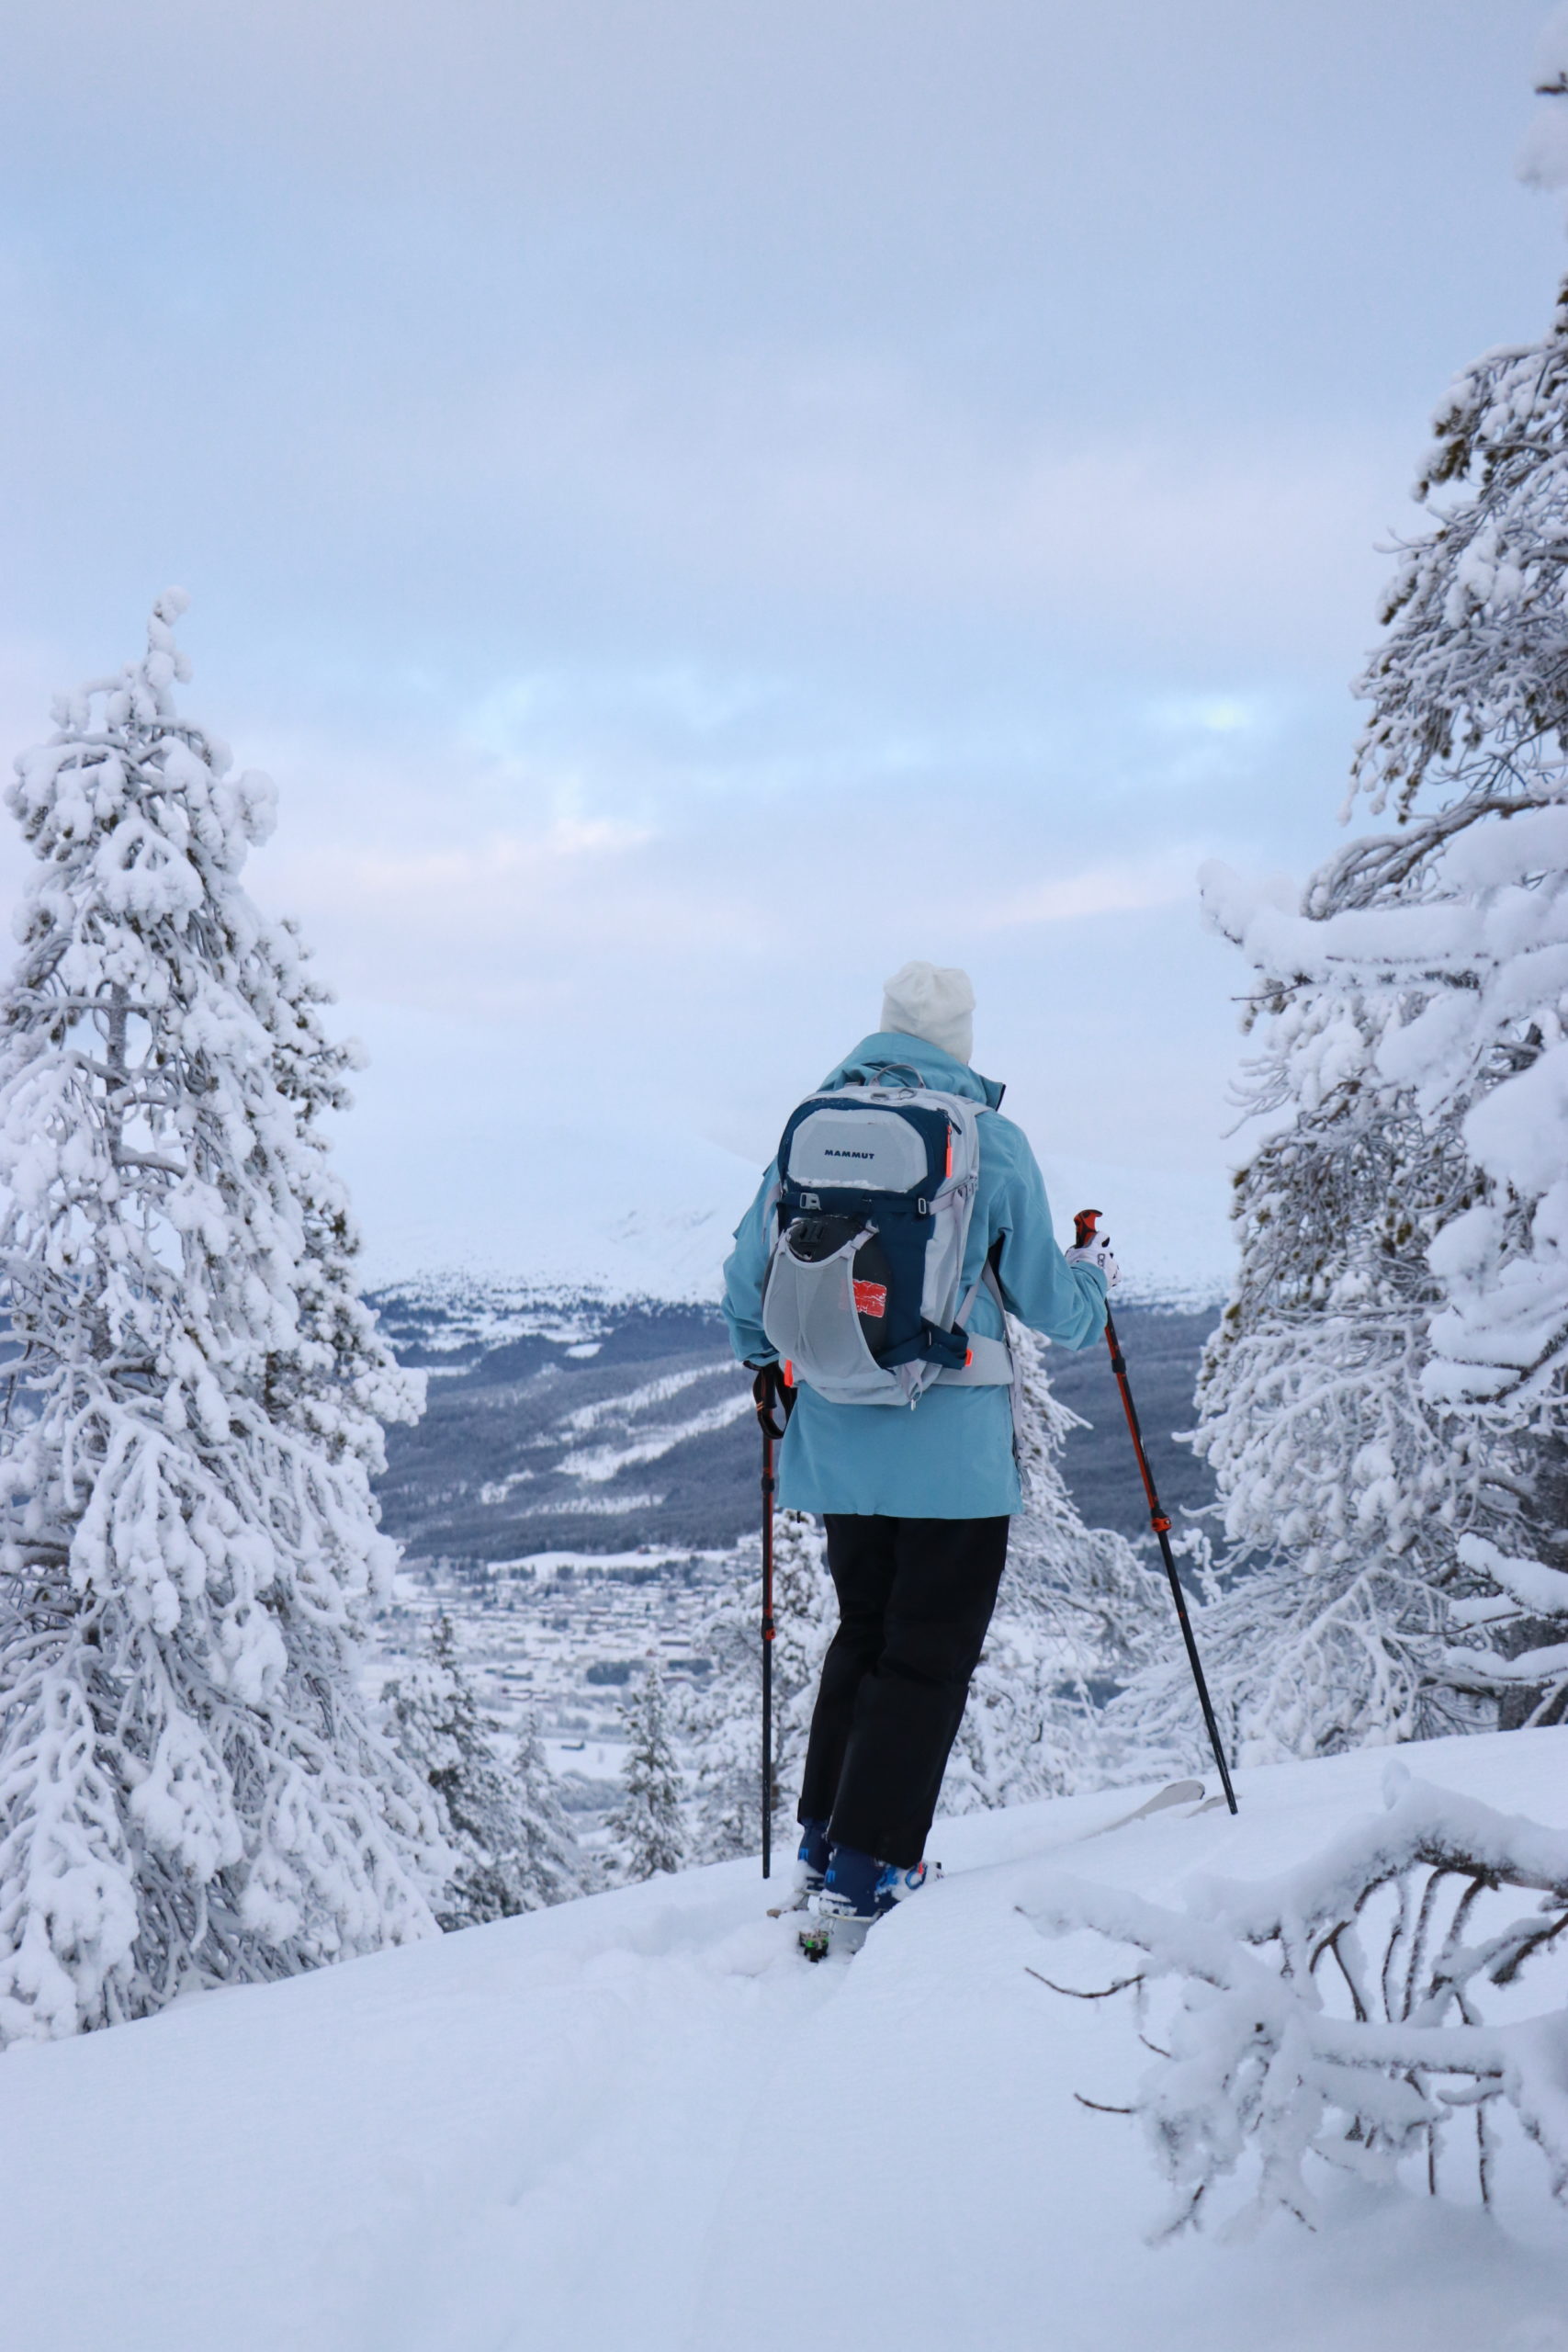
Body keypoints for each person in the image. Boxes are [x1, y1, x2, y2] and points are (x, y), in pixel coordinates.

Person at [721, 959, 1118, 1939]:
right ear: (963, 1042)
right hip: (950, 1458)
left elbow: (744, 1280)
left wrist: (765, 1367)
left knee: (863, 1635)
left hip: (838, 1445)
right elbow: (1055, 1310)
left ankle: (824, 1842)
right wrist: (1095, 1277)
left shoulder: (810, 1131)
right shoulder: (989, 1141)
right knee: (928, 1657)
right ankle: (871, 1868)